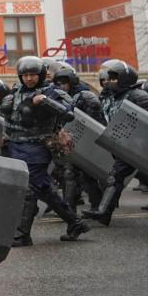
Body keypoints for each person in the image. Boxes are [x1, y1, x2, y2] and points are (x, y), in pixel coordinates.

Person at [0, 57, 90, 247]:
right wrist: (5, 134)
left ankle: (22, 234)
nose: (29, 79)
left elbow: (68, 112)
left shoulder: (52, 91)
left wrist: (45, 101)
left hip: (38, 146)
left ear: (40, 75)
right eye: (25, 75)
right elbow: (10, 117)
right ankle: (76, 223)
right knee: (43, 189)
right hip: (16, 145)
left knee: (29, 189)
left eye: (33, 75)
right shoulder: (16, 91)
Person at [84, 60, 148, 226]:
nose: (110, 82)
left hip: (137, 145)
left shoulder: (138, 95)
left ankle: (103, 212)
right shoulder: (114, 97)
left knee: (119, 177)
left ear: (125, 79)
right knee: (145, 178)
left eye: (114, 78)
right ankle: (103, 213)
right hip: (124, 145)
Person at [51, 65, 107, 212]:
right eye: (59, 83)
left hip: (88, 140)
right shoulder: (63, 97)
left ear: (72, 82)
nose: (61, 86)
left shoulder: (85, 95)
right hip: (73, 140)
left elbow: (95, 122)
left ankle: (95, 208)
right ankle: (78, 210)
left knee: (85, 175)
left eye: (64, 82)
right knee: (74, 174)